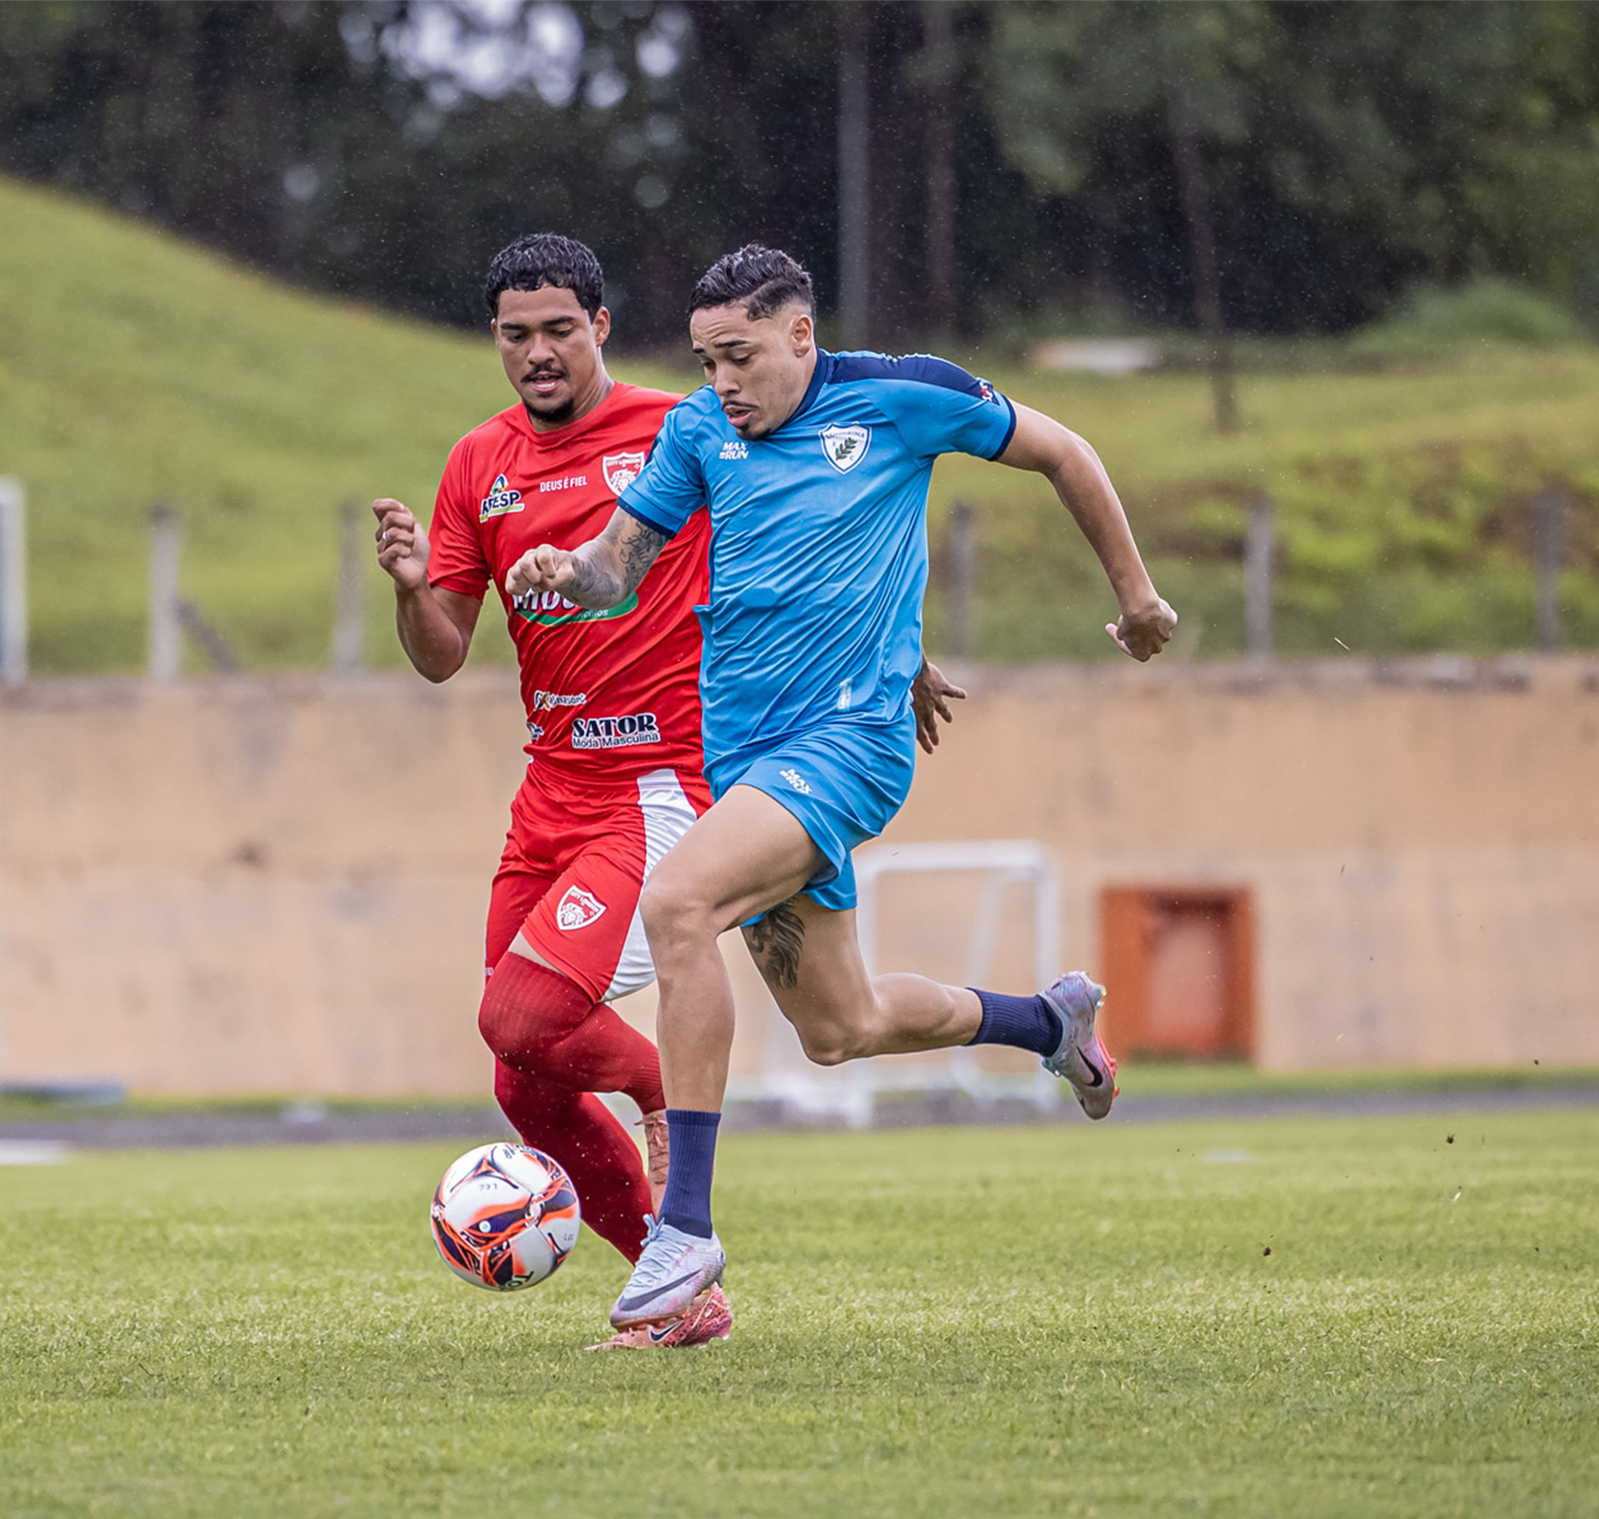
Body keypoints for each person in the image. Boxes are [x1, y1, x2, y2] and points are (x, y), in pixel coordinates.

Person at [503, 244, 1178, 1333]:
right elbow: (616, 565)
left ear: (800, 336)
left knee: (678, 904)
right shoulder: (698, 431)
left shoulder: (904, 396)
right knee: (839, 1024)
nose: (720, 382)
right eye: (704, 359)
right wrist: (564, 572)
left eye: (738, 356)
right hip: (745, 760)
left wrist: (1137, 597)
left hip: (849, 746)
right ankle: (1046, 1024)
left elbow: (1065, 451)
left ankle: (683, 1226)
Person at [375, 234, 965, 1350]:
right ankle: (680, 1298)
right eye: (515, 334)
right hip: (548, 787)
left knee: (524, 1013)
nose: (538, 352)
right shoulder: (474, 466)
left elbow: (827, 527)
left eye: (559, 328)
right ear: (493, 340)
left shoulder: (686, 424)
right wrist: (413, 590)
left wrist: (899, 654)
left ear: (599, 325)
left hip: (663, 778)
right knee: (523, 1082)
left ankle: (662, 1099)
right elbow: (442, 650)